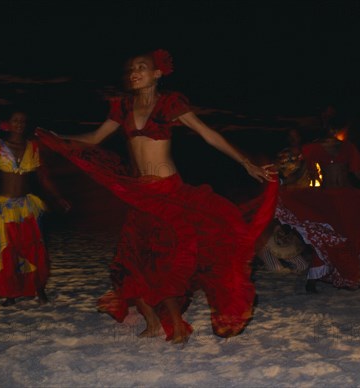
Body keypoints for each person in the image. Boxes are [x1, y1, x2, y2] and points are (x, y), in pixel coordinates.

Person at [36, 49, 278, 345]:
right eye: (131, 69)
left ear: (157, 74)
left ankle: (176, 328)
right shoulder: (123, 107)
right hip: (138, 195)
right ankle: (152, 323)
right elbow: (95, 138)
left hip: (169, 194)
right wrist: (58, 140)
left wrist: (245, 162)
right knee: (130, 260)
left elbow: (208, 133)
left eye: (142, 67)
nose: (134, 72)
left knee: (164, 263)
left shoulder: (169, 104)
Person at [274, 120, 360, 290]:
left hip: (347, 198)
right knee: (328, 237)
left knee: (348, 237)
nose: (332, 131)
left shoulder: (348, 148)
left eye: (335, 128)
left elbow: (358, 174)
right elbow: (301, 169)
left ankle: (346, 276)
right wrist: (283, 184)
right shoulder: (314, 148)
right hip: (328, 199)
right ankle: (313, 279)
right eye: (329, 128)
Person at [0, 108, 71, 307]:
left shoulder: (32, 147)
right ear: (7, 122)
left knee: (33, 248)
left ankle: (39, 289)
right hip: (4, 207)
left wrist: (58, 197)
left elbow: (42, 177)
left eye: (23, 121)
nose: (19, 124)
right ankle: (10, 293)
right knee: (8, 250)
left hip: (26, 206)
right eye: (15, 120)